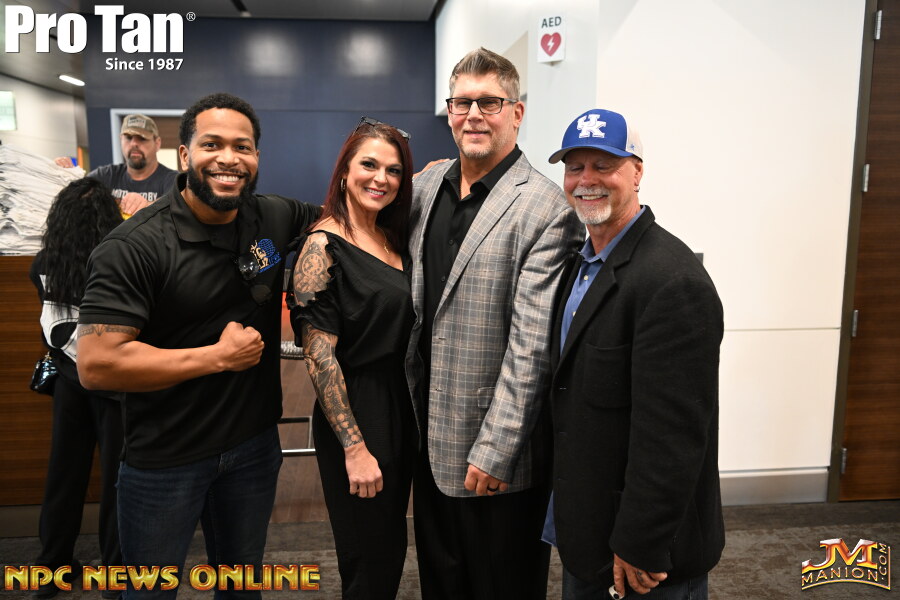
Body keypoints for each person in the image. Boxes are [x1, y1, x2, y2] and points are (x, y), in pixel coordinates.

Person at [76, 93, 320, 599]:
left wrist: (422, 184)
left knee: (241, 587)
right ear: (185, 155)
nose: (229, 158)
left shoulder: (272, 217)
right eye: (212, 145)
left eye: (242, 147)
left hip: (252, 448)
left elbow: (344, 214)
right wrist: (217, 358)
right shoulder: (134, 246)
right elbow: (97, 364)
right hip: (166, 458)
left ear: (256, 158)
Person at [404, 47, 582, 599]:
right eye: (462, 103)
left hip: (496, 457)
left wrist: (496, 448)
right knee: (441, 584)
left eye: (490, 102)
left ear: (517, 112)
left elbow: (533, 347)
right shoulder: (425, 188)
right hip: (426, 441)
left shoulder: (547, 210)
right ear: (449, 111)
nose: (474, 114)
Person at [542, 108, 725, 599]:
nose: (586, 180)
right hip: (589, 537)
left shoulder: (672, 280)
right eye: (575, 167)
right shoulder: (582, 265)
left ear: (637, 172)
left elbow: (673, 435)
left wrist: (641, 541)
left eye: (604, 166)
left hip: (643, 556)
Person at [289, 117, 416, 599]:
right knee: (367, 558)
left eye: (393, 170)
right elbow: (319, 359)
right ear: (345, 171)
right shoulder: (322, 246)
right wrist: (354, 446)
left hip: (399, 403)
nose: (381, 178)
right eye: (369, 165)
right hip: (359, 409)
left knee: (390, 547)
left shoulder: (388, 237)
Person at [29, 178, 124, 599]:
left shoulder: (43, 264)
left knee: (64, 476)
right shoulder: (116, 261)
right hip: (113, 382)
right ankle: (115, 577)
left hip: (68, 383)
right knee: (116, 482)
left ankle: (51, 568)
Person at [55, 114, 178, 217]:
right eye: (128, 138)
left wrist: (148, 205)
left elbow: (176, 203)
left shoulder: (173, 180)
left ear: (157, 143)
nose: (134, 143)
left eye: (142, 138)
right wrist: (63, 173)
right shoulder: (105, 175)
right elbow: (77, 194)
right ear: (121, 139)